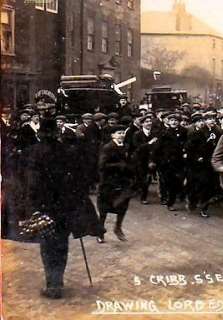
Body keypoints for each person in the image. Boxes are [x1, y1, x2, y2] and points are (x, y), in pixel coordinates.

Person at [7, 117, 101, 298]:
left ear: (40, 134)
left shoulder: (33, 152)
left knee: (48, 245)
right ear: (57, 133)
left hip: (44, 207)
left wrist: (31, 206)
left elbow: (31, 183)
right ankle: (58, 280)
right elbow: (80, 177)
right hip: (65, 206)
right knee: (61, 244)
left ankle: (53, 284)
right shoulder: (68, 151)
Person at [97, 124, 135, 243]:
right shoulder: (107, 147)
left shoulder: (127, 146)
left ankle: (118, 228)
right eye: (119, 133)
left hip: (123, 182)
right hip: (109, 182)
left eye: (123, 133)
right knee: (104, 208)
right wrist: (119, 165)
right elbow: (102, 165)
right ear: (113, 135)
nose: (121, 135)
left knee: (122, 206)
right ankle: (100, 232)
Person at [131, 114, 158, 205]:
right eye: (146, 122)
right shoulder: (137, 134)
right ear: (142, 124)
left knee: (148, 178)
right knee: (142, 178)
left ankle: (143, 194)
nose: (149, 123)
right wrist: (149, 143)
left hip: (151, 158)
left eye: (150, 121)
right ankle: (143, 196)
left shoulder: (154, 133)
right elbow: (137, 147)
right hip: (140, 158)